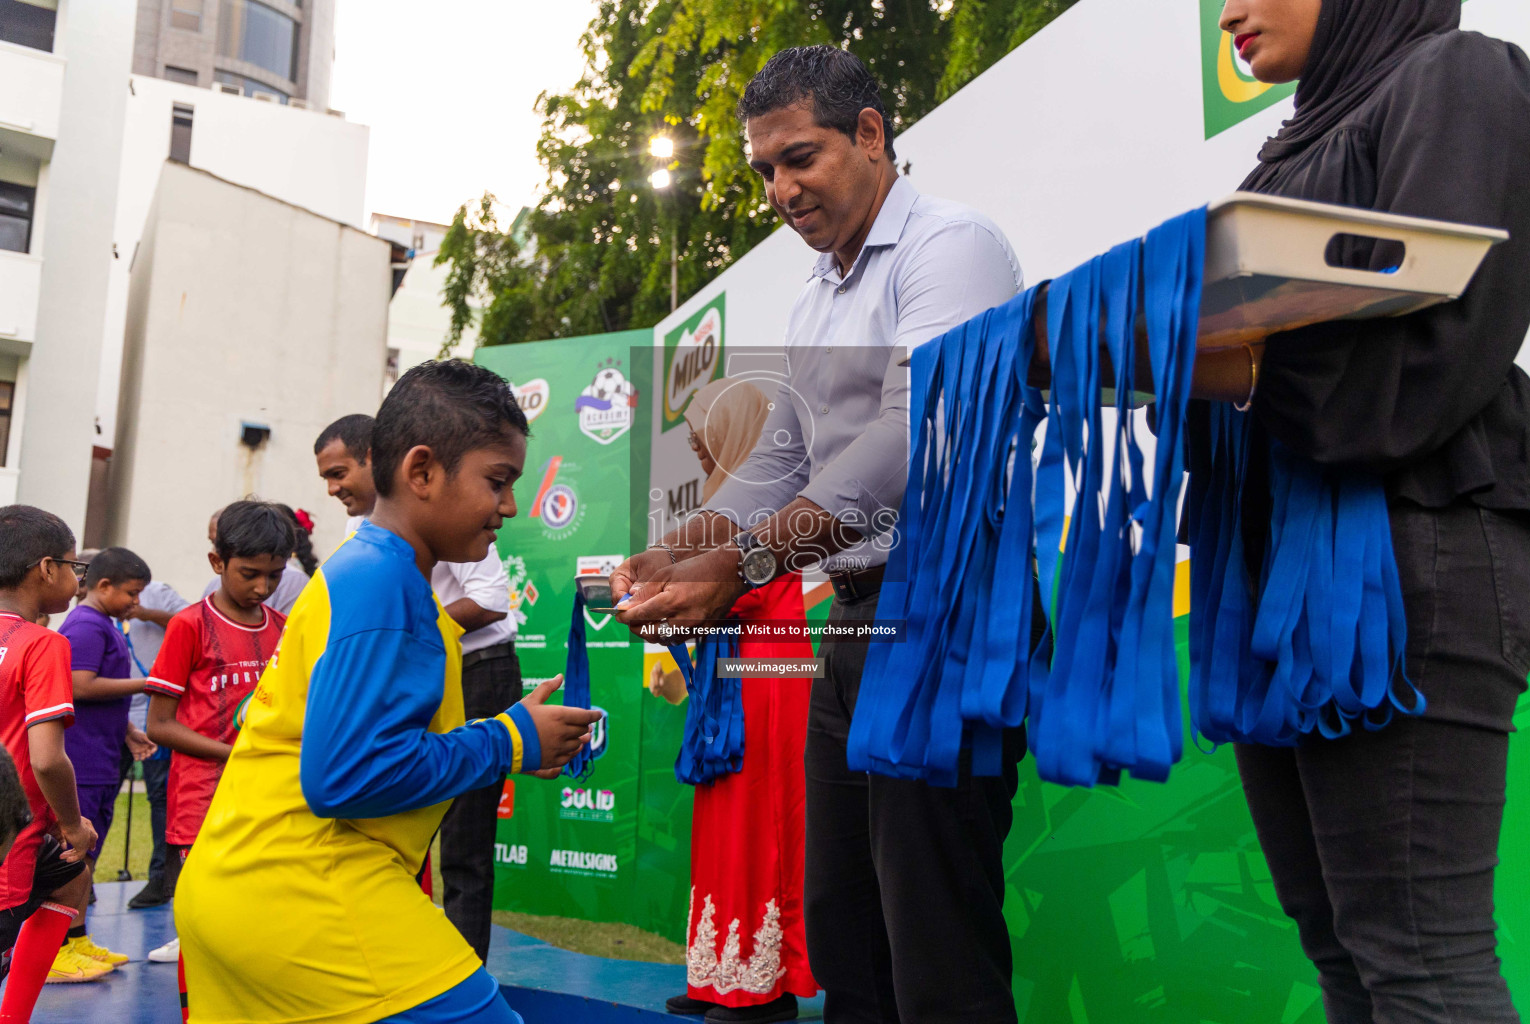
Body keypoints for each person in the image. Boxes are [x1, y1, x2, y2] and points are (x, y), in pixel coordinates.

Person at [613, 46, 1026, 1024]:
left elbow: (910, 437)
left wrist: (741, 560)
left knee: (934, 938)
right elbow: (785, 464)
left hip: (946, 613)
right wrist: (684, 544)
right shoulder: (814, 295)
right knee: (847, 925)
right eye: (764, 170)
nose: (781, 189)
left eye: (799, 158)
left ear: (872, 134)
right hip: (849, 625)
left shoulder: (952, 247)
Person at [1183, 2, 1530, 1020]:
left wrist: (1217, 353)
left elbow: (1432, 353)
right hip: (1277, 572)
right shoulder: (1288, 147)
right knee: (1344, 949)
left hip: (1416, 537)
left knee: (1419, 957)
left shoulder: (1460, 74)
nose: (1231, 13)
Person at [178, 360, 603, 1023]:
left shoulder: (374, 575)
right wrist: (508, 739)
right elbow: (345, 777)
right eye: (498, 481)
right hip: (306, 892)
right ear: (422, 471)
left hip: (242, 884)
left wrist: (514, 735)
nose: (510, 506)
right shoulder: (385, 585)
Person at [314, 411, 524, 963]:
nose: (334, 489)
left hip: (478, 671)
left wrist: (415, 631)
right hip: (427, 668)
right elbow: (337, 782)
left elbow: (492, 600)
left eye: (339, 473)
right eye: (326, 480)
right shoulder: (360, 546)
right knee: (394, 824)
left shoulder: (455, 525)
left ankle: (462, 972)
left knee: (464, 841)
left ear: (379, 461)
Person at [652, 378, 817, 1024]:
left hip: (767, 677)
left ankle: (762, 987)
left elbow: (753, 593)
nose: (697, 449)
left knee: (759, 827)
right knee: (719, 827)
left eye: (704, 438)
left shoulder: (777, 503)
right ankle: (719, 971)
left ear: (735, 432)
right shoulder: (723, 506)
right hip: (729, 684)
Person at [145, 502, 290, 965]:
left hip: (267, 798)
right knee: (206, 921)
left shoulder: (285, 629)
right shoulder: (189, 625)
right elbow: (159, 725)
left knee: (260, 920)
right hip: (202, 799)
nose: (262, 587)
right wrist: (235, 754)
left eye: (275, 575)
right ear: (217, 563)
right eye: (249, 573)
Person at [0, 505, 108, 1009]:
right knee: (72, 857)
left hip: (19, 838)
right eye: (74, 567)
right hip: (9, 842)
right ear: (46, 569)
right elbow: (46, 759)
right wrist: (72, 824)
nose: (76, 580)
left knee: (71, 877)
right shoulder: (42, 644)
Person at [57, 547, 155, 968]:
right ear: (103, 586)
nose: (136, 604)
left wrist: (129, 731)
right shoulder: (86, 626)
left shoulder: (105, 623)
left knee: (88, 855)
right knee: (72, 854)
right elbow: (79, 686)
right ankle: (57, 946)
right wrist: (145, 685)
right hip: (82, 759)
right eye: (131, 595)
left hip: (100, 755)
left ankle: (76, 937)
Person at [122, 578, 190, 910]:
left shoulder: (159, 593)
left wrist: (146, 612)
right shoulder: (96, 611)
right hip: (124, 717)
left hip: (155, 715)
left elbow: (187, 620)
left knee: (162, 797)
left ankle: (162, 878)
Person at [202, 506, 311, 616]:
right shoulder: (196, 620)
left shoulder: (281, 624)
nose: (262, 590)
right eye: (248, 575)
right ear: (217, 562)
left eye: (275, 575)